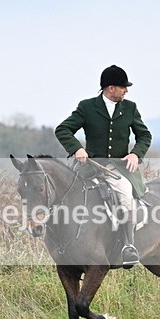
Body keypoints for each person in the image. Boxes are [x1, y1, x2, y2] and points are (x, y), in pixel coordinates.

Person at [55, 65, 152, 268]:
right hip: (89, 166)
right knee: (66, 194)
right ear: (110, 88)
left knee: (125, 194)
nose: (126, 90)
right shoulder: (87, 107)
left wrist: (135, 153)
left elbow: (144, 135)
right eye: (123, 87)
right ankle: (59, 241)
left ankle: (128, 246)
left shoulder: (130, 108)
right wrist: (76, 149)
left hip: (119, 168)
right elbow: (63, 129)